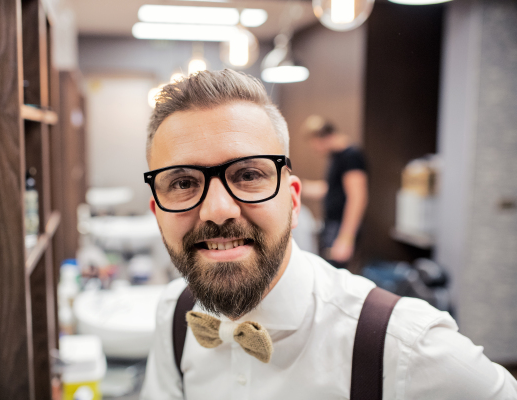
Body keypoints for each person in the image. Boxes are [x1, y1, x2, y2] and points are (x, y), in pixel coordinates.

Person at [140, 69, 517, 399]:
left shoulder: (407, 345)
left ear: (292, 201)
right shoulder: (173, 313)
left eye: (248, 175)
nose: (218, 210)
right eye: (184, 182)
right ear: (158, 213)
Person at [301, 117, 368, 269]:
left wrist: (346, 238)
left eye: (315, 144)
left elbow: (357, 197)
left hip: (340, 228)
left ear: (323, 137)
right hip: (332, 226)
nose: (316, 150)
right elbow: (331, 189)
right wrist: (298, 186)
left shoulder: (350, 157)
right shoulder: (337, 157)